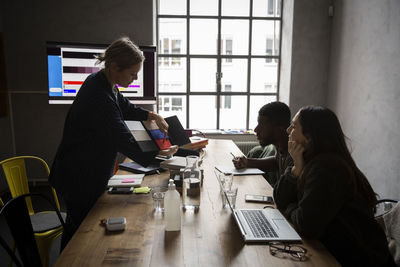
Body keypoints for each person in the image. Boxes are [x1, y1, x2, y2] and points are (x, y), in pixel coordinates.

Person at [49, 37, 178, 250]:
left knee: (79, 230)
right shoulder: (99, 97)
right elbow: (125, 142)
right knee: (79, 234)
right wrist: (162, 154)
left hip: (86, 170)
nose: (135, 78)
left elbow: (126, 107)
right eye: (132, 73)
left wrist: (152, 115)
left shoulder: (104, 82)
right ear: (115, 66)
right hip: (80, 176)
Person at [274, 106, 395, 266]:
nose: (289, 130)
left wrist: (290, 207)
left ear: (310, 138)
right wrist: (296, 169)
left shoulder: (327, 168)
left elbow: (307, 226)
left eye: (294, 126)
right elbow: (279, 198)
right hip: (337, 250)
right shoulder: (310, 161)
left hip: (360, 259)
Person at [232, 101, 292, 187]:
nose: (256, 130)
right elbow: (276, 162)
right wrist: (247, 162)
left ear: (279, 128)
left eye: (262, 124)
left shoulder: (295, 153)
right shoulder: (281, 145)